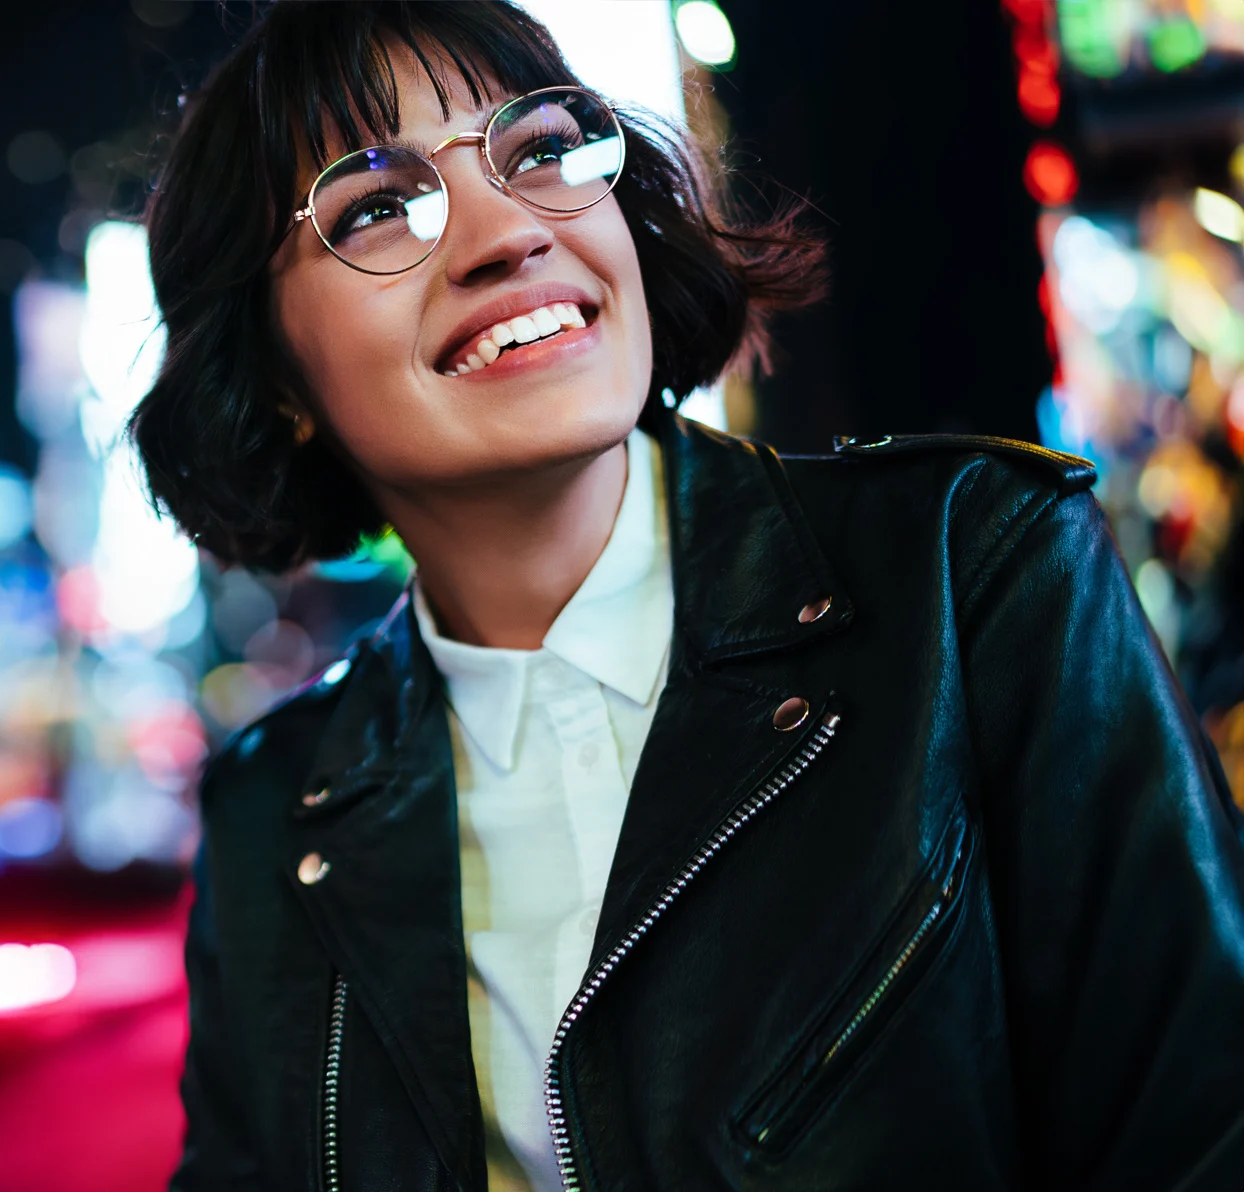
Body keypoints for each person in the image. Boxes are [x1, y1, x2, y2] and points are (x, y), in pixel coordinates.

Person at [135, 4, 1244, 1189]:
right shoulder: (272, 816)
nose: (507, 232)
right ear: (274, 375)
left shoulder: (974, 574)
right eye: (377, 206)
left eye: (540, 150)